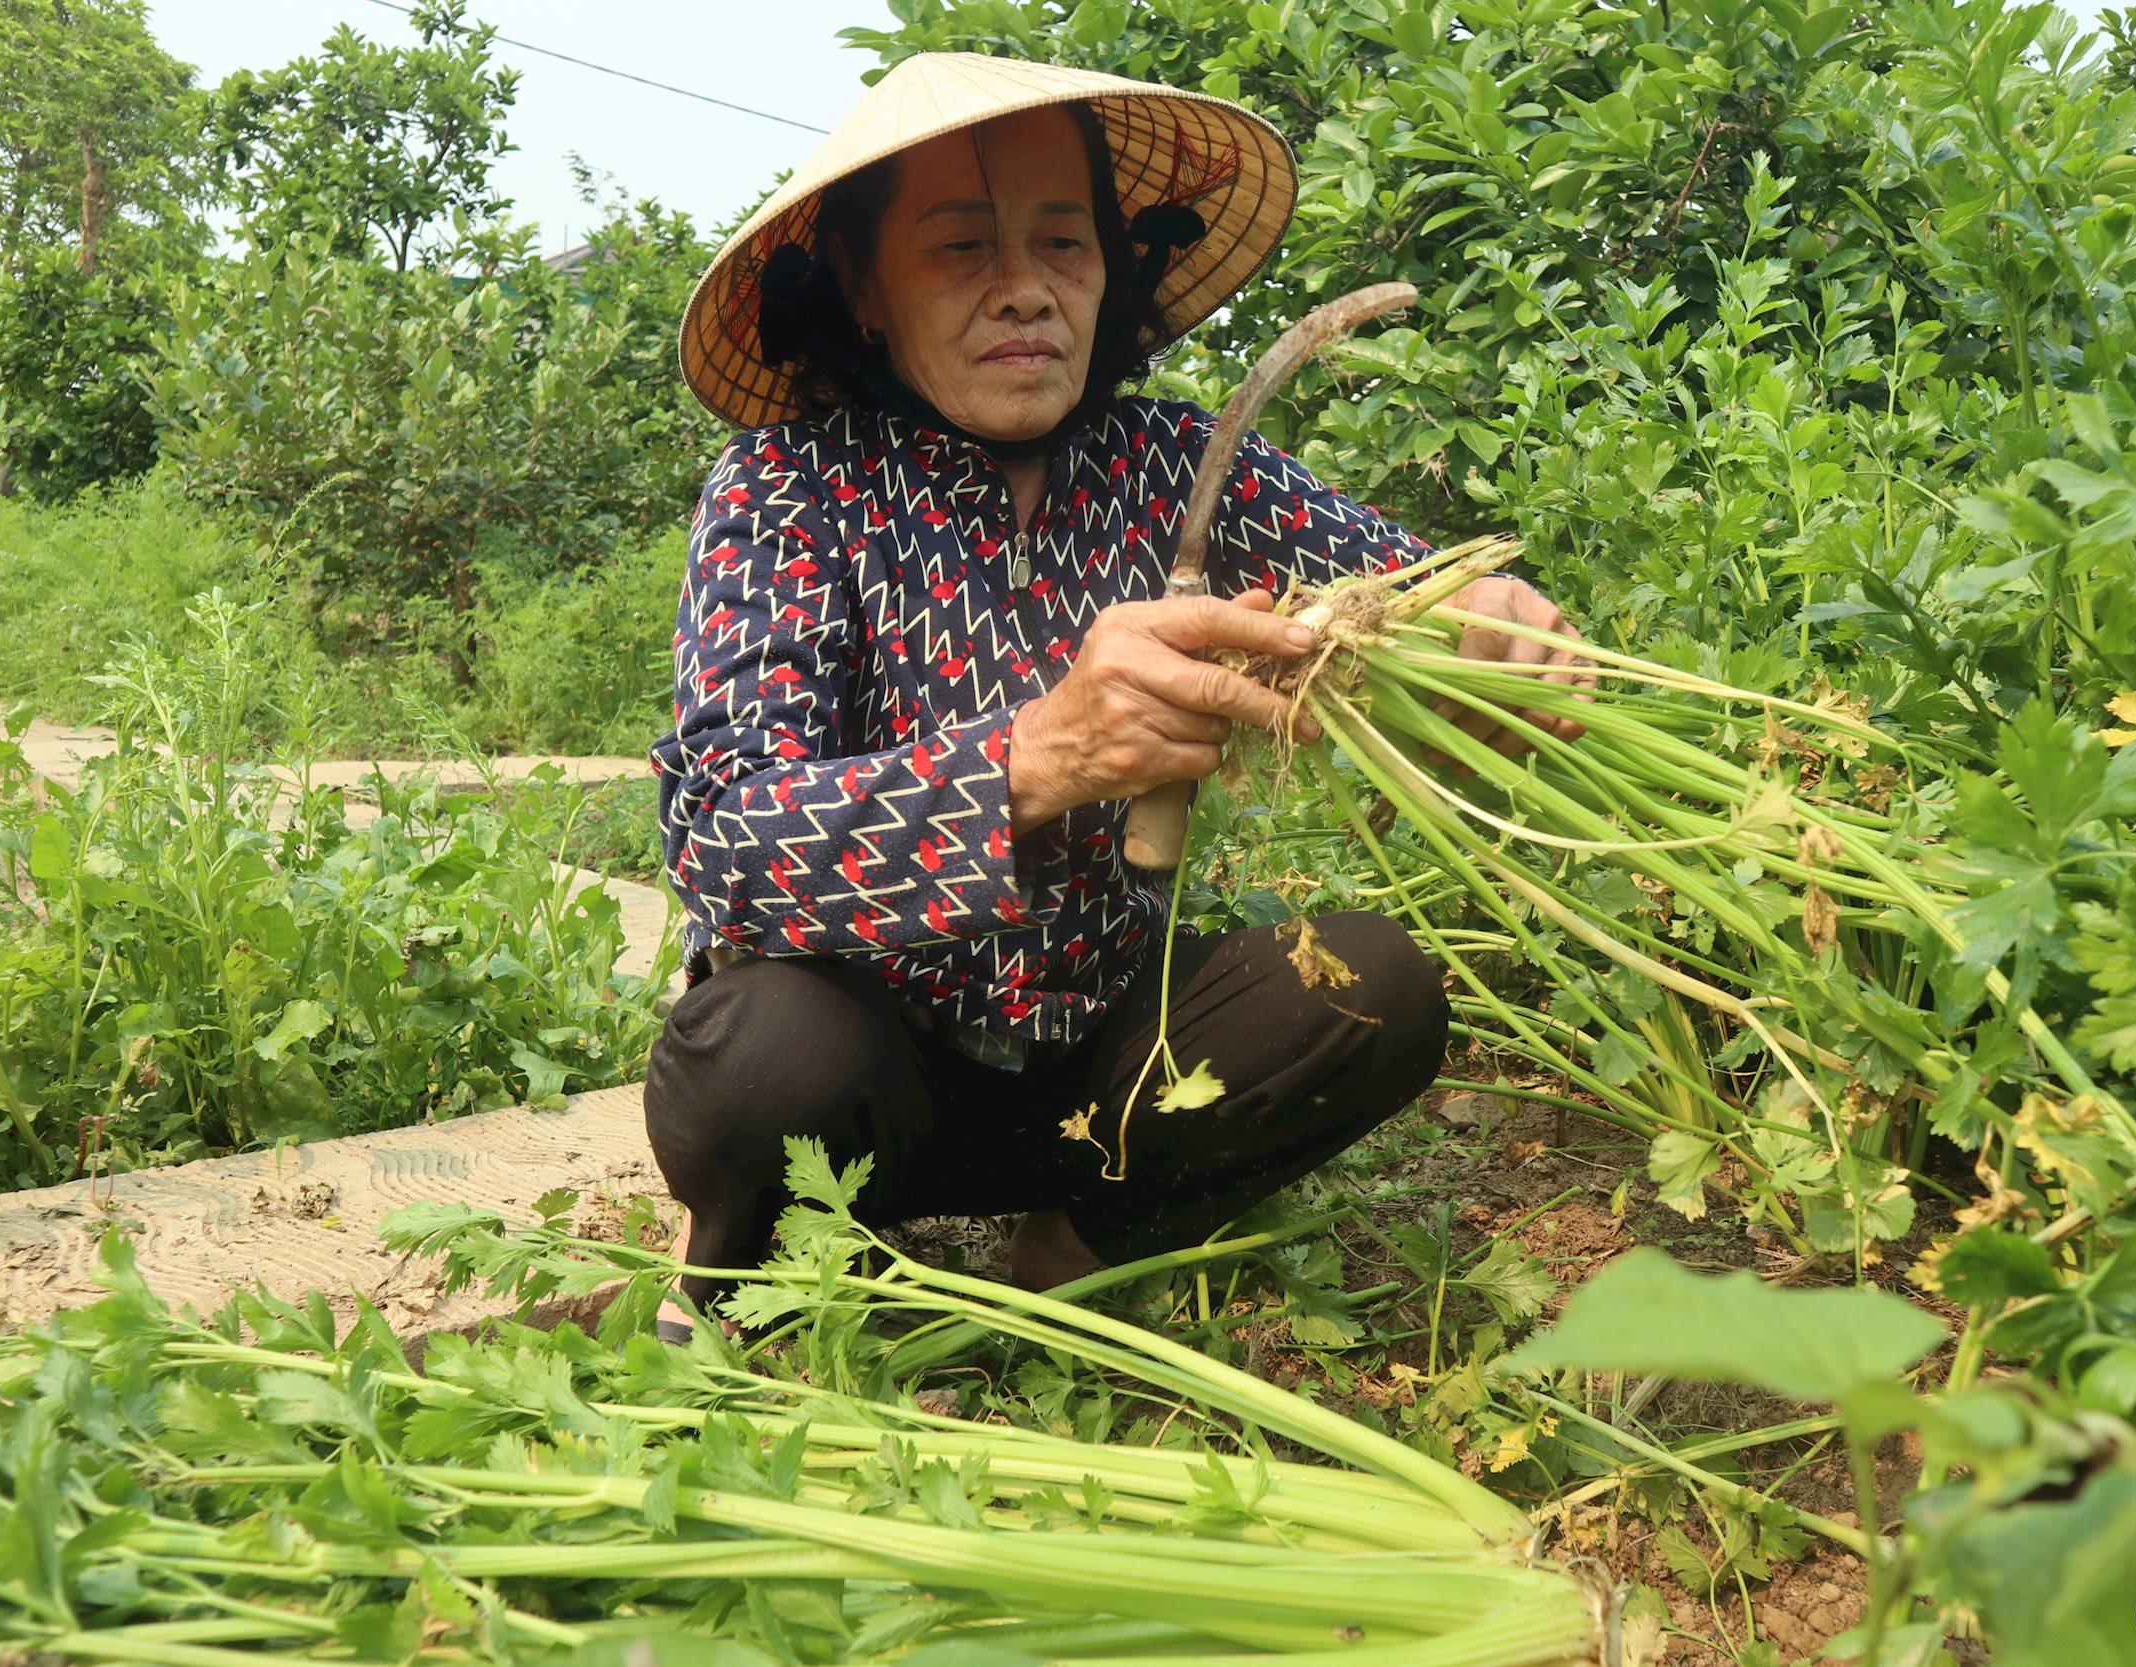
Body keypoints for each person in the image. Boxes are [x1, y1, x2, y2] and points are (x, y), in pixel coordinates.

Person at [645, 53, 1583, 1335]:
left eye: (1062, 241)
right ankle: (791, 1265)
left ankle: (1074, 1243)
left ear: (1108, 266)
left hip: (1104, 1066)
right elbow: (723, 842)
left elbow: (1391, 593)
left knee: (1372, 984)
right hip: (870, 1072)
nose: (1023, 286)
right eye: (959, 246)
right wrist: (1039, 753)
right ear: (863, 289)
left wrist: (1472, 621)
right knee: (758, 1056)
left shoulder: (1176, 462)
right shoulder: (790, 487)